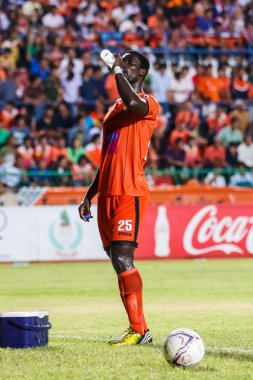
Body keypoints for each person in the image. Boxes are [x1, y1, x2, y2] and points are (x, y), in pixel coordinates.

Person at [78, 50, 159, 346]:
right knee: (116, 260)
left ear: (142, 73)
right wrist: (89, 195)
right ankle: (136, 329)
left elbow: (133, 103)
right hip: (107, 193)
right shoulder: (113, 110)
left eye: (131, 63)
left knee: (124, 257)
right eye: (122, 61)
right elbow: (107, 158)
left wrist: (115, 70)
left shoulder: (148, 104)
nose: (125, 64)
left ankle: (140, 330)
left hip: (130, 191)